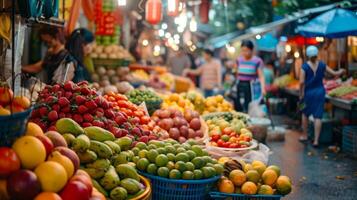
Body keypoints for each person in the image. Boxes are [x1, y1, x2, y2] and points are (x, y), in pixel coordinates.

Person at [299, 46, 345, 147]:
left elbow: (302, 82)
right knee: (318, 116)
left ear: (307, 55)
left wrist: (300, 93)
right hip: (320, 92)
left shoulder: (304, 67)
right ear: (317, 54)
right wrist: (341, 71)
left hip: (308, 93)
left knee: (305, 114)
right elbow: (334, 73)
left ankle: (305, 135)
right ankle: (316, 141)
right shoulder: (322, 65)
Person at [235, 40, 266, 112]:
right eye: (242, 50)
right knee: (239, 107)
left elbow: (261, 76)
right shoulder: (239, 60)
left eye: (246, 50)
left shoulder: (257, 61)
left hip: (251, 87)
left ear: (252, 50)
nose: (244, 53)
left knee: (249, 107)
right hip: (240, 85)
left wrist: (263, 89)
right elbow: (236, 73)